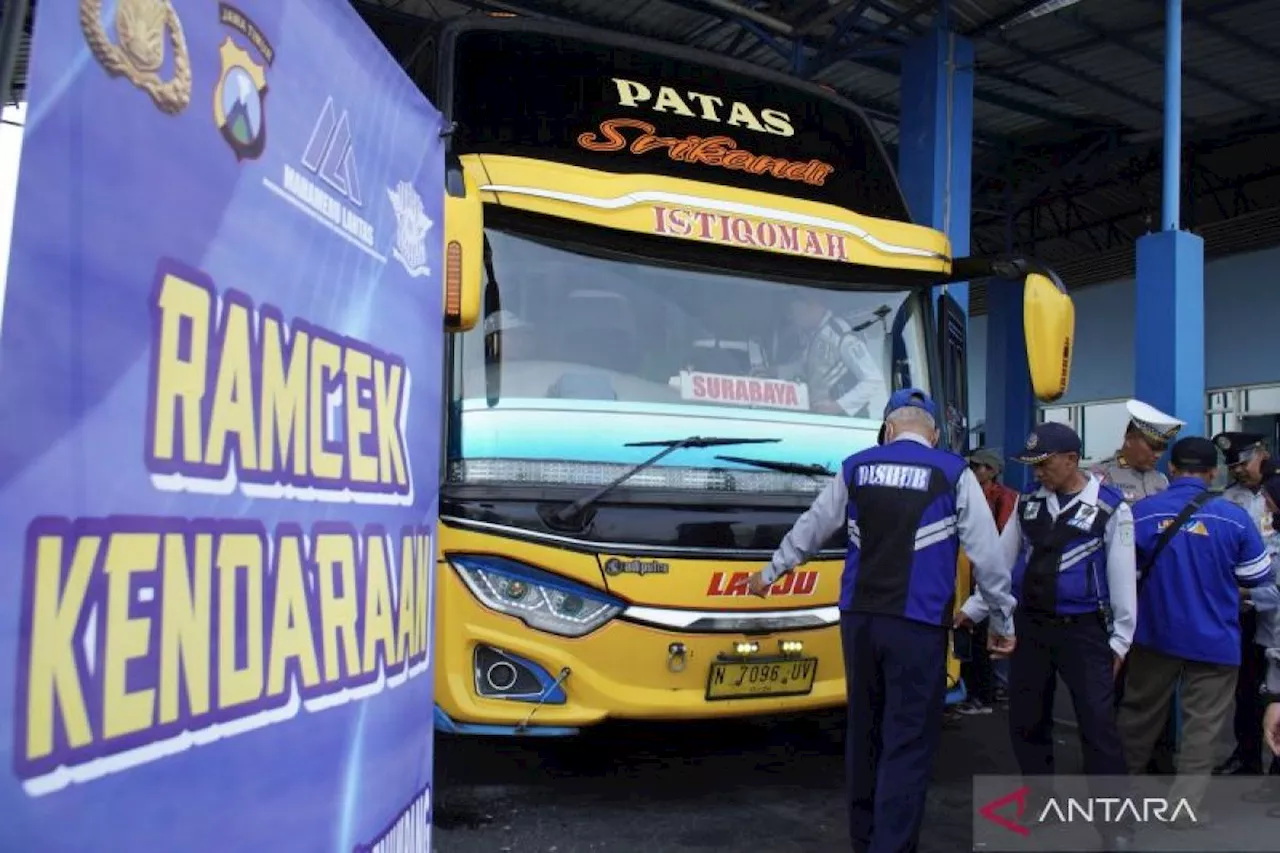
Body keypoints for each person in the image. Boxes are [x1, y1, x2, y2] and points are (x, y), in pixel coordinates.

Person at [746, 388, 1016, 853]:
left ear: (888, 429)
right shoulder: (954, 472)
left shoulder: (856, 467)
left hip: (859, 620)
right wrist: (1003, 622)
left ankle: (864, 836)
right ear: (933, 434)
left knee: (865, 730)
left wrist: (770, 572)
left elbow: (811, 527)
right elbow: (989, 558)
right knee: (908, 739)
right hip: (918, 624)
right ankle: (891, 845)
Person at [957, 422, 1135, 848]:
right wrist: (972, 609)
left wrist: (1120, 641)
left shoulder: (1111, 508)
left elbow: (1123, 579)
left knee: (1098, 728)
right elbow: (1001, 566)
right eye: (1033, 465)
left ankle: (1115, 827)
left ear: (1072, 460)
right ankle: (1040, 800)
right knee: (1026, 720)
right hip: (1033, 628)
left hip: (1086, 632)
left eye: (1045, 463)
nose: (1038, 473)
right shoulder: (1029, 508)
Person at [1116, 437, 1274, 816]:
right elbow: (1258, 575)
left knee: (1137, 717)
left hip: (1155, 635)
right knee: (1202, 728)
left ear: (1171, 469)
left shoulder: (1139, 513)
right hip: (1216, 639)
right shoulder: (1233, 517)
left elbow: (1120, 571)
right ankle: (1182, 811)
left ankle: (1118, 795)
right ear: (1212, 472)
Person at [1091, 401, 1183, 774]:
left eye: (1163, 450)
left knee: (1155, 677)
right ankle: (1109, 758)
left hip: (1154, 595)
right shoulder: (1102, 477)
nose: (1159, 456)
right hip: (1114, 597)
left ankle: (1157, 755)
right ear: (1130, 439)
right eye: (1153, 447)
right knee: (1113, 678)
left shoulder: (1162, 482)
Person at [1212, 431, 1280, 777]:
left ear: (1263, 453)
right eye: (1234, 466)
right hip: (1244, 609)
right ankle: (1247, 756)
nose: (1239, 471)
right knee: (1249, 687)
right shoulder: (1227, 500)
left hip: (1274, 604)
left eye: (1245, 463)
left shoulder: (1276, 491)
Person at [955, 447, 1019, 714]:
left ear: (992, 470)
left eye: (980, 465)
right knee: (970, 635)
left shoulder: (1006, 499)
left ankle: (988, 694)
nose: (974, 469)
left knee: (984, 637)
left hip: (985, 576)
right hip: (965, 574)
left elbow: (1000, 542)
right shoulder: (967, 492)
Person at [782, 294, 887, 418]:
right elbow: (808, 368)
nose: (793, 318)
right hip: (820, 416)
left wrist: (837, 406)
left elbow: (872, 379)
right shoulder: (813, 334)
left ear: (812, 304)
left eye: (795, 311)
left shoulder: (842, 335)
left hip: (847, 421)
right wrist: (775, 371)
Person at [1090, 399, 1185, 503]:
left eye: (1162, 448)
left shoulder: (1161, 480)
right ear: (1130, 439)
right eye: (1153, 447)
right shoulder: (1102, 474)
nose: (1158, 454)